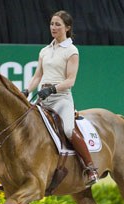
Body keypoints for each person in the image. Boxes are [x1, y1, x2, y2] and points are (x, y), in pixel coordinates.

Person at [22, 10, 98, 184]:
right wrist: (26, 90)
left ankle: (90, 167)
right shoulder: (45, 51)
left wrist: (52, 89)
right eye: (52, 24)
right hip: (43, 98)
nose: (53, 27)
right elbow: (37, 76)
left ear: (67, 28)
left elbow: (71, 80)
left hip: (61, 98)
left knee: (69, 130)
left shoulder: (71, 50)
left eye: (58, 24)